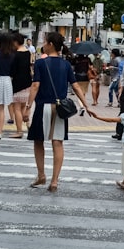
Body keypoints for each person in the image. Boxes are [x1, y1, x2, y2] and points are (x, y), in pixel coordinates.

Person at [26, 32, 88, 192]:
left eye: (45, 41)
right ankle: (54, 181)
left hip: (43, 106)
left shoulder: (41, 63)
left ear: (51, 44)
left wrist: (27, 108)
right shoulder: (66, 65)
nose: (43, 44)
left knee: (38, 141)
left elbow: (35, 86)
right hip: (60, 109)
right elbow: (75, 86)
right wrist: (86, 105)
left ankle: (41, 175)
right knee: (57, 142)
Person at [8, 35, 33, 138]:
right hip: (27, 83)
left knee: (17, 108)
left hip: (18, 84)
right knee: (23, 106)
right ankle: (27, 125)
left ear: (15, 42)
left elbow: (12, 71)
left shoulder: (15, 55)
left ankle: (19, 131)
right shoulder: (28, 52)